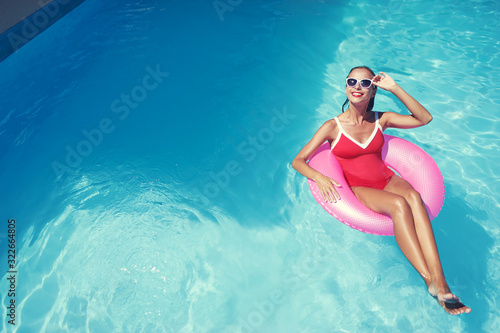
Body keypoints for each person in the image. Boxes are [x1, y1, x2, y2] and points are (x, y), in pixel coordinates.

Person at [292, 66, 471, 315]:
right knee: (399, 205)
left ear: (373, 90)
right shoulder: (332, 127)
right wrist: (319, 176)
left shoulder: (381, 119)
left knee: (414, 198)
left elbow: (424, 118)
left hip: (387, 178)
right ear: (345, 87)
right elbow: (298, 160)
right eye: (351, 81)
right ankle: (429, 280)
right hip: (360, 187)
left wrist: (395, 88)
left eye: (365, 83)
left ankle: (441, 281)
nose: (357, 86)